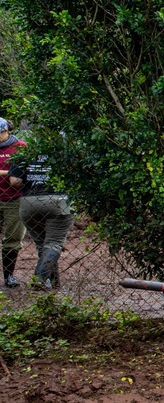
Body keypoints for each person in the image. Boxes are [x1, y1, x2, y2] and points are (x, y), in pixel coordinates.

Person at [8, 151, 75, 289]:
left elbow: (15, 181)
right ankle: (40, 278)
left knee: (42, 244)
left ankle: (53, 282)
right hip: (60, 200)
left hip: (29, 202)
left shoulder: (24, 153)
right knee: (54, 243)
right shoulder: (65, 151)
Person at [0, 118, 28, 288]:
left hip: (14, 198)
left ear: (5, 131)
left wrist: (5, 172)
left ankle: (8, 276)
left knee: (13, 238)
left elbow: (25, 172)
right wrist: (9, 172)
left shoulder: (20, 147)